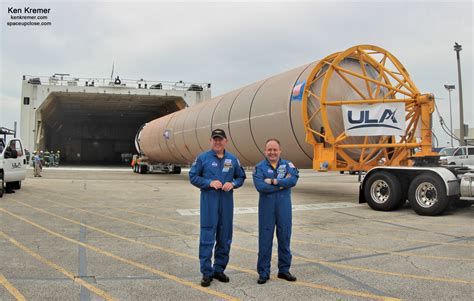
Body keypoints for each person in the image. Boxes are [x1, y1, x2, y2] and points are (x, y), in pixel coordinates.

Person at [189, 129, 246, 287]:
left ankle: (219, 269)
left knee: (225, 236)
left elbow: (241, 177)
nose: (217, 142)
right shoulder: (203, 158)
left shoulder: (232, 159)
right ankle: (206, 273)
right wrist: (209, 183)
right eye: (215, 139)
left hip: (226, 203)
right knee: (207, 236)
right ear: (211, 141)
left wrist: (233, 184)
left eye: (220, 139)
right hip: (209, 202)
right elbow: (193, 176)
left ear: (225, 141)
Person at [253, 138, 299, 284]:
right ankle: (263, 272)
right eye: (269, 150)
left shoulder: (288, 165)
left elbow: (293, 181)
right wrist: (282, 184)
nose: (272, 152)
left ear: (280, 151)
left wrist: (274, 182)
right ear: (265, 151)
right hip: (267, 209)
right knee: (265, 239)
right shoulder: (259, 167)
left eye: (275, 149)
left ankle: (284, 270)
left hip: (283, 207)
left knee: (285, 237)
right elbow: (261, 186)